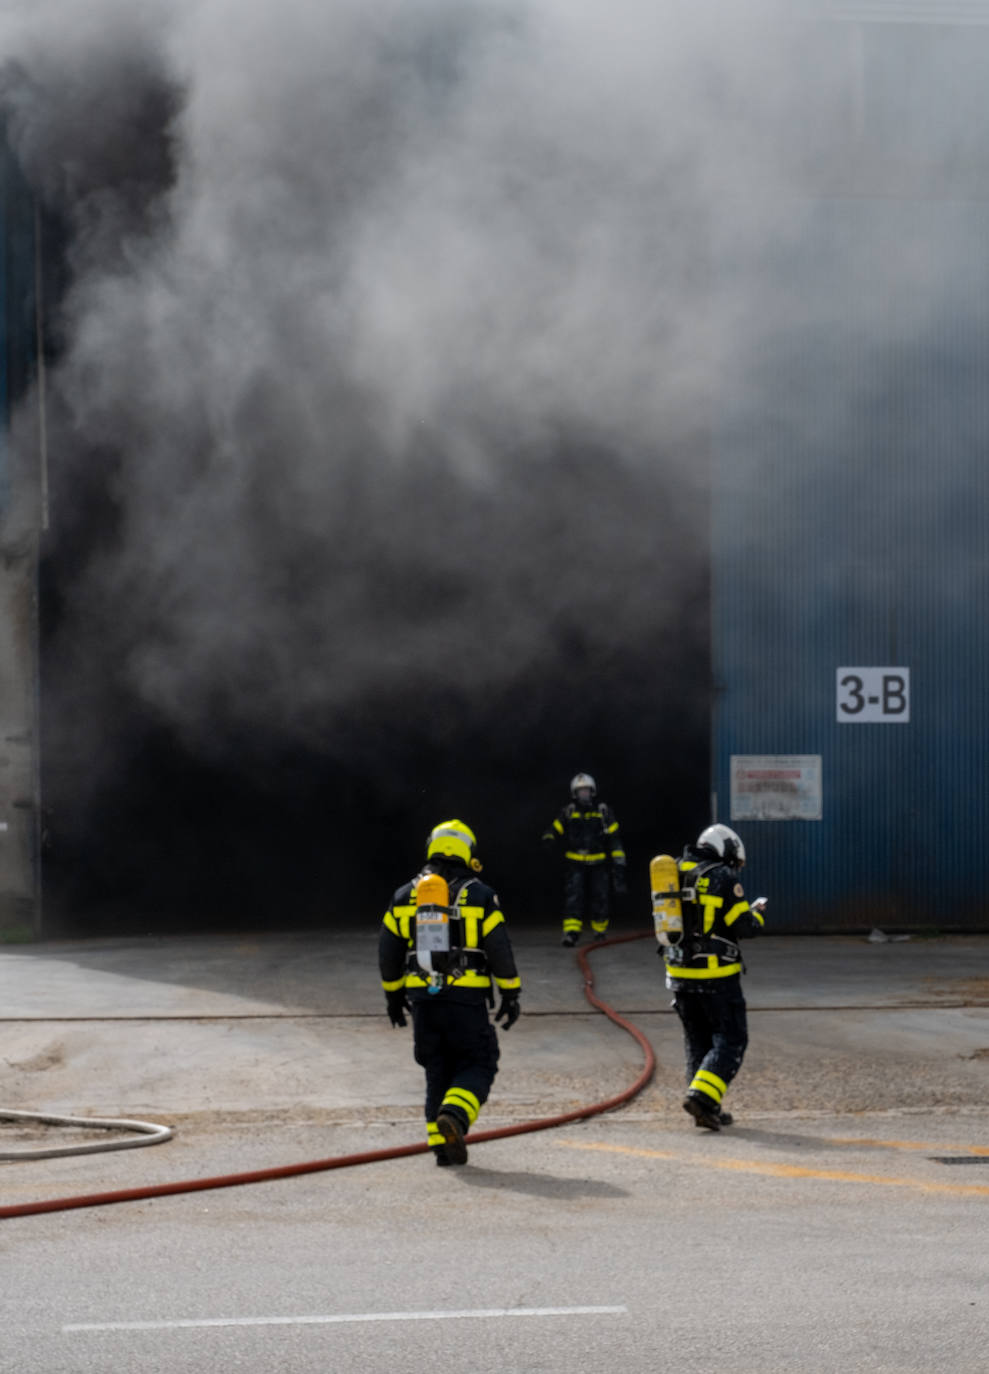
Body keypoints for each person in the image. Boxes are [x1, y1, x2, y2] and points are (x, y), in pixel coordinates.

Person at [378, 819, 521, 1166]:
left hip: (423, 1002)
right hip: (466, 1002)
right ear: (467, 851)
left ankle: (441, 1150)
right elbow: (498, 948)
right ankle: (455, 1116)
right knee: (479, 1062)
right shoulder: (481, 894)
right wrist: (511, 993)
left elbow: (388, 951)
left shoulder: (404, 895)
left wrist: (394, 997)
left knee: (436, 1071)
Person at [662, 823, 765, 1131]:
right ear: (725, 850)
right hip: (716, 977)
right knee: (731, 1039)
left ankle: (706, 1108)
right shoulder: (722, 876)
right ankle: (702, 1098)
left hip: (679, 976)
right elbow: (745, 927)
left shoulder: (674, 872)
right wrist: (757, 912)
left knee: (699, 1043)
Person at [542, 773, 626, 946]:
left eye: (586, 790)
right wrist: (549, 837)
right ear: (575, 793)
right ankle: (572, 933)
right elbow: (554, 828)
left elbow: (614, 838)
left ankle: (600, 932)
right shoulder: (569, 812)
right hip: (575, 863)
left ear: (592, 791)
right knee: (574, 898)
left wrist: (618, 863)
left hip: (598, 863)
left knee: (600, 897)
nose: (584, 794)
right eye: (580, 791)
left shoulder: (603, 812)